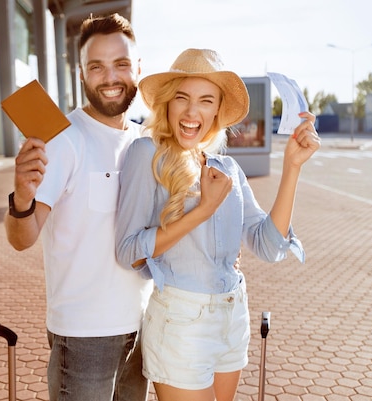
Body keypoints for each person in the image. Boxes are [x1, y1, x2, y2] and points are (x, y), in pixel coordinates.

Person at [115, 49, 321, 401]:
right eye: (182, 98)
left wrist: (292, 167)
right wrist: (202, 210)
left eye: (205, 101)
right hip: (181, 320)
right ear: (167, 104)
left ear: (216, 112)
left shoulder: (228, 169)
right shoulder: (147, 154)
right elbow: (128, 251)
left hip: (233, 313)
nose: (192, 112)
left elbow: (268, 247)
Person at [3, 13, 153, 401]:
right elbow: (22, 238)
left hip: (144, 327)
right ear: (82, 75)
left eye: (121, 64)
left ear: (138, 68)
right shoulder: (64, 140)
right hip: (84, 338)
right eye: (96, 67)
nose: (110, 77)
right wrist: (21, 196)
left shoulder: (147, 141)